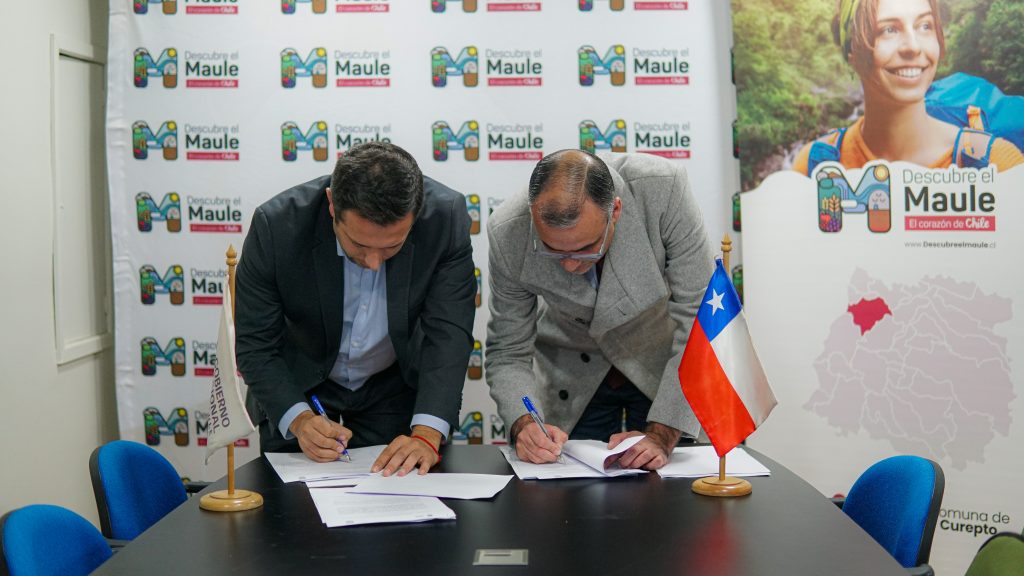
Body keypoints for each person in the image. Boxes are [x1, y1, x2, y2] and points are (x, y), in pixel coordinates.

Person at [235, 142, 475, 476]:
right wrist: (300, 420)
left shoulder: (444, 218)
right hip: (300, 382)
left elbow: (448, 334)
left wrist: (426, 434)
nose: (374, 262)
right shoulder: (276, 226)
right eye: (359, 245)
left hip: (392, 385)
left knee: (399, 490)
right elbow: (255, 342)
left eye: (392, 246)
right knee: (292, 501)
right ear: (332, 204)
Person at [485, 149, 713, 470]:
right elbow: (508, 351)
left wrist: (663, 433)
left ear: (615, 210)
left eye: (586, 248)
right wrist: (524, 420)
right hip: (572, 375)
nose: (569, 264)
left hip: (664, 367)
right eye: (552, 250)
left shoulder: (663, 189)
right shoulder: (508, 230)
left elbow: (701, 320)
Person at [792, 0, 1023, 174]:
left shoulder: (997, 164)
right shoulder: (816, 166)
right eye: (888, 30)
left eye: (925, 26)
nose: (913, 47)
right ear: (853, 52)